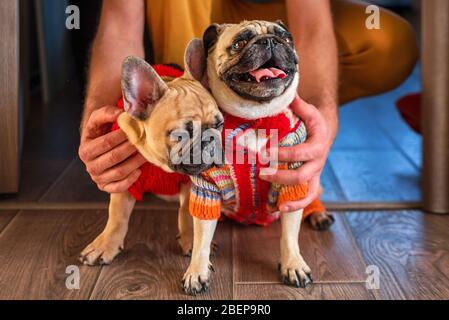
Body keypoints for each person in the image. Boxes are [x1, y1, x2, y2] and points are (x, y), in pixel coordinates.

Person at [78, 0, 418, 217]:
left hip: (274, 12)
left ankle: (267, 138)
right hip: (190, 19)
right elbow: (119, 23)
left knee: (388, 43)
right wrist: (101, 118)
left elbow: (311, 25)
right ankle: (191, 134)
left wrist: (318, 131)